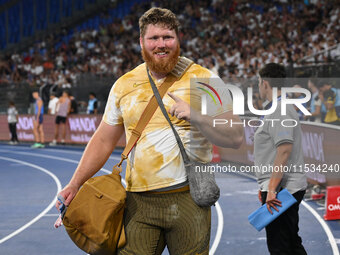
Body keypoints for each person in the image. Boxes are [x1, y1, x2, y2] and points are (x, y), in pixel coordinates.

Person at [56, 7, 243, 255]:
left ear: (179, 39)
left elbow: (235, 137)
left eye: (167, 37)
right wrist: (75, 183)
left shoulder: (205, 79)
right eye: (153, 38)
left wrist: (196, 116)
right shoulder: (124, 85)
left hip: (189, 200)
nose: (161, 44)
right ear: (141, 42)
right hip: (138, 203)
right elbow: (103, 139)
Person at [254, 63, 307, 255]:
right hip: (280, 186)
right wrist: (265, 185)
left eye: (259, 82)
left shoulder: (280, 110)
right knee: (290, 242)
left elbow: (284, 150)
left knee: (280, 246)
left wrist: (272, 188)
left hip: (283, 189)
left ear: (265, 83)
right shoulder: (276, 108)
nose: (259, 87)